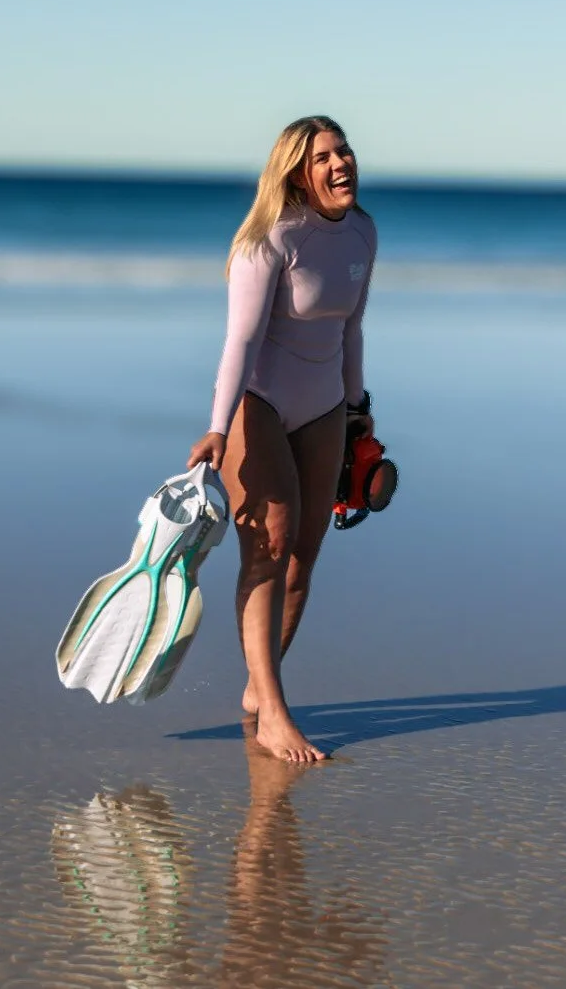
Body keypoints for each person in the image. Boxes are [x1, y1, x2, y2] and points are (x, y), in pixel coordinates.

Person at [187, 115, 377, 764]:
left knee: (304, 558)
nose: (339, 164)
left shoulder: (362, 233)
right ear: (298, 171)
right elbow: (239, 341)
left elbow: (351, 331)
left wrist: (358, 412)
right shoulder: (269, 240)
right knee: (269, 543)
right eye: (323, 157)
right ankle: (274, 712)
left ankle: (255, 692)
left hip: (325, 405)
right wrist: (219, 426)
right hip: (259, 403)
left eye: (343, 151)